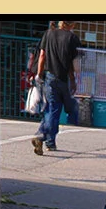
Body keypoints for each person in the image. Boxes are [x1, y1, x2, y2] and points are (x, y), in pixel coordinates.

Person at [30, 21, 82, 155]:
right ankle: (42, 136)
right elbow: (73, 64)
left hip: (50, 77)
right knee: (56, 110)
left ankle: (49, 141)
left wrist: (39, 74)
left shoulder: (49, 34)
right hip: (64, 79)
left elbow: (42, 55)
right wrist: (73, 80)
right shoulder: (72, 38)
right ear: (72, 25)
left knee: (52, 109)